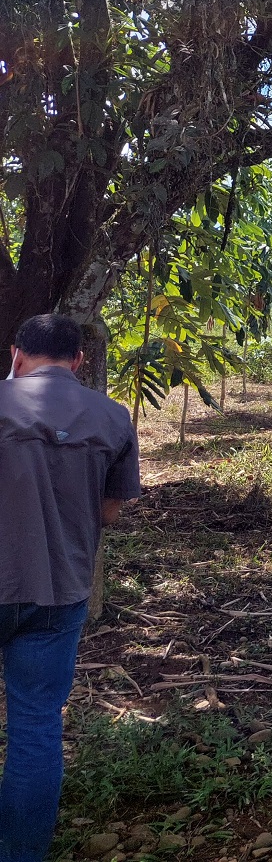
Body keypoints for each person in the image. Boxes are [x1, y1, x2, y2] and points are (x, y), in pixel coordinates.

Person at [1, 314, 140, 862]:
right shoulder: (111, 417)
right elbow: (109, 510)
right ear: (80, 361)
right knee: (35, 725)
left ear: (15, 355)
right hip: (57, 591)